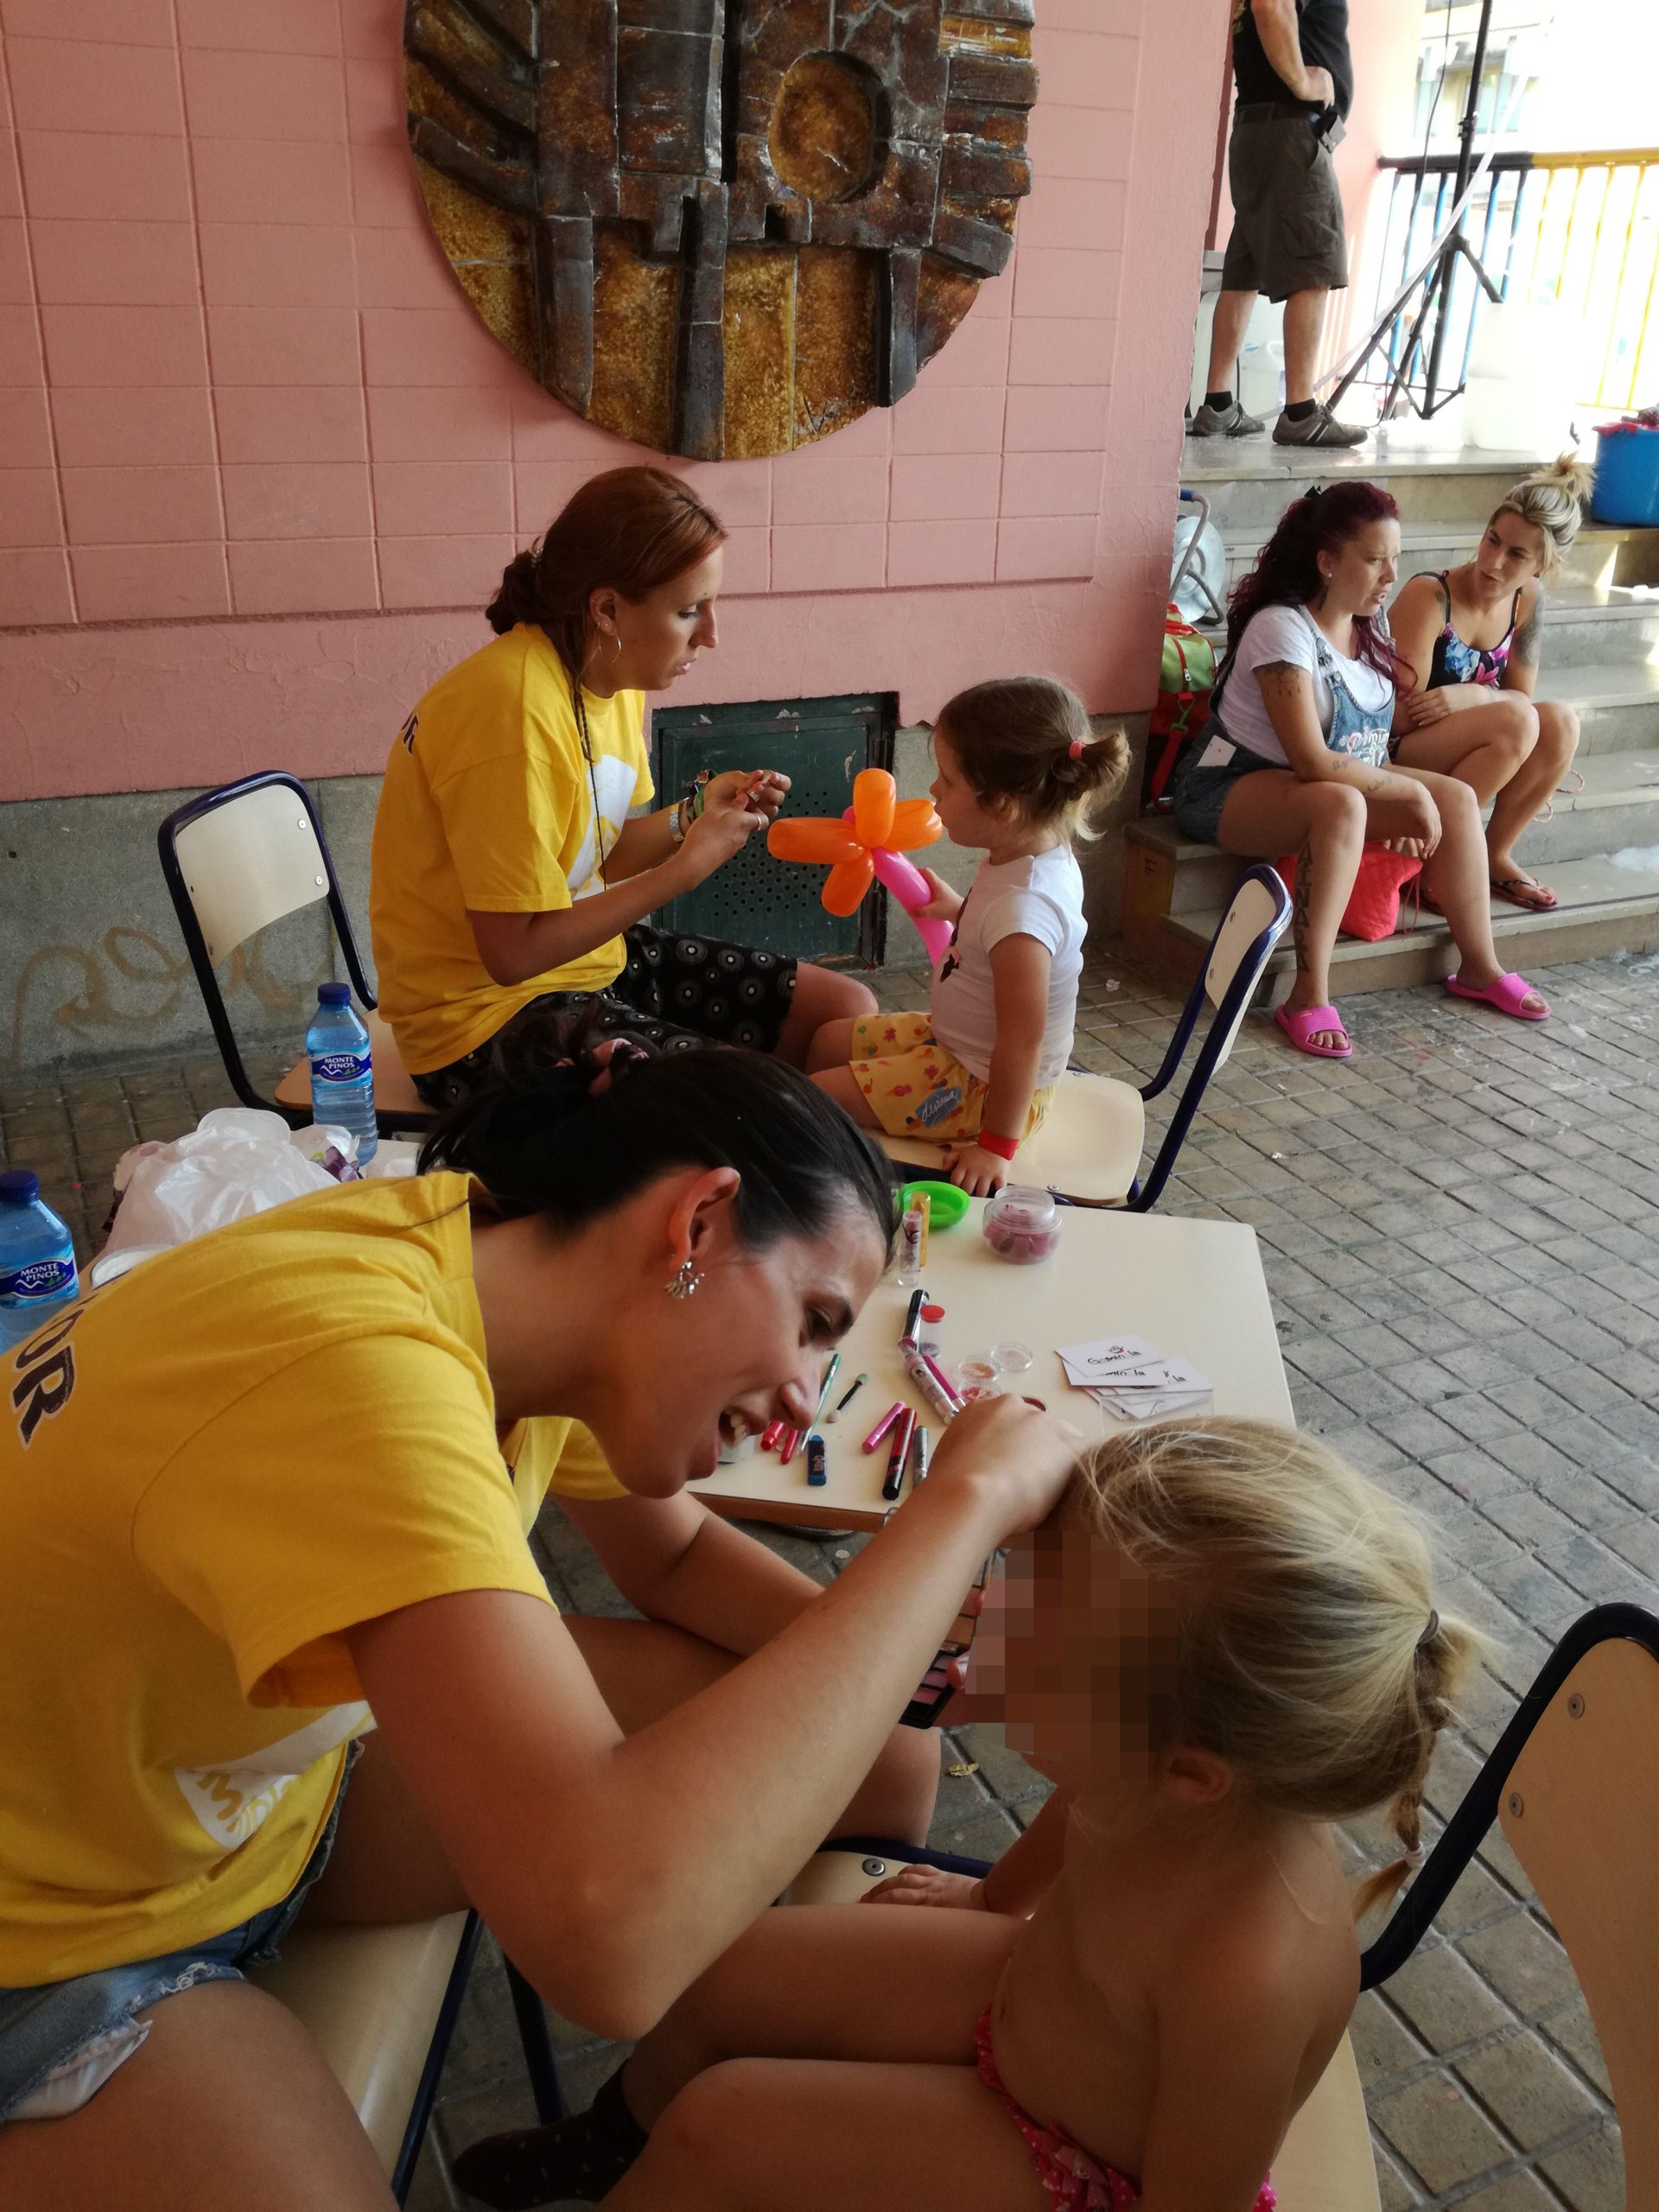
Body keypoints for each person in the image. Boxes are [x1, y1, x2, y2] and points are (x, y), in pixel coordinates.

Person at [0, 1039, 1081, 2208]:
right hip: (48, 1929)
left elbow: (673, 1557)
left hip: (220, 1792)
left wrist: (910, 1663)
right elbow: (611, 1947)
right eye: (817, 1321)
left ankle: (678, 2097)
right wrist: (956, 1513)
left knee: (885, 1750)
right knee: (647, 1885)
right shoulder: (358, 1367)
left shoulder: (490, 1271)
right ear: (699, 1222)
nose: (803, 1399)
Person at [471, 1418, 1478, 2212]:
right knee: (721, 1972)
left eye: (1035, 1642)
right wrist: (993, 1897)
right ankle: (613, 2145)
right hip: (1033, 2002)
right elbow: (1082, 1806)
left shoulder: (1253, 1974)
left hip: (1075, 2162)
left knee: (720, 2127)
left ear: (1190, 1771)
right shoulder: (1159, 1776)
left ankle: (662, 2172)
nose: (987, 1640)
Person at [370, 466, 877, 1110]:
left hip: (584, 966)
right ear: (607, 609)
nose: (711, 634)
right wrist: (683, 871)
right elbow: (510, 955)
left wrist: (693, 815)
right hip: (482, 1026)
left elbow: (592, 858)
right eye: (688, 611)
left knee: (846, 1009)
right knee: (762, 1107)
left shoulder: (610, 676)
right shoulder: (512, 712)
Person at [1170, 481, 1551, 1059]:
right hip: (1230, 784)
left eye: (1395, 558)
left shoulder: (1370, 627)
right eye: (1375, 560)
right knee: (1342, 803)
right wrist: (1402, 794)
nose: (1391, 575)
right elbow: (1311, 760)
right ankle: (1307, 994)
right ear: (1327, 562)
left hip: (1316, 784)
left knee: (1452, 797)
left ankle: (1480, 966)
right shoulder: (1282, 629)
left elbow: (1371, 743)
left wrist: (1408, 789)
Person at [801, 678, 1129, 1195]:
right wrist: (959, 908)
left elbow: (1021, 1044)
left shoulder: (1023, 913)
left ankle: (842, 1189)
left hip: (983, 1089)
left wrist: (995, 1148)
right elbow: (1004, 930)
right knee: (826, 1041)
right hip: (959, 1045)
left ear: (1002, 806)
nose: (933, 790)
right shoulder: (1029, 854)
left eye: (947, 781)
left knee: (812, 1098)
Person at [1389, 457, 1592, 912]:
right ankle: (1438, 860)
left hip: (1469, 742)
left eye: (1516, 555)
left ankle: (1494, 854)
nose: (1493, 562)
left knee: (1560, 722)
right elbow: (1395, 717)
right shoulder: (1431, 596)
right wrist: (1484, 710)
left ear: (1544, 564)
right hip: (1397, 751)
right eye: (1492, 540)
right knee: (1517, 721)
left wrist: (1475, 695)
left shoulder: (1528, 598)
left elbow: (1521, 696)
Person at [1190, 0, 1369, 449]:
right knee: (1315, 267)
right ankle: (1300, 414)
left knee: (1244, 267)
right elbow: (1272, 5)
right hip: (1289, 129)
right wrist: (1304, 81)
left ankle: (1217, 404)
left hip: (1256, 126)